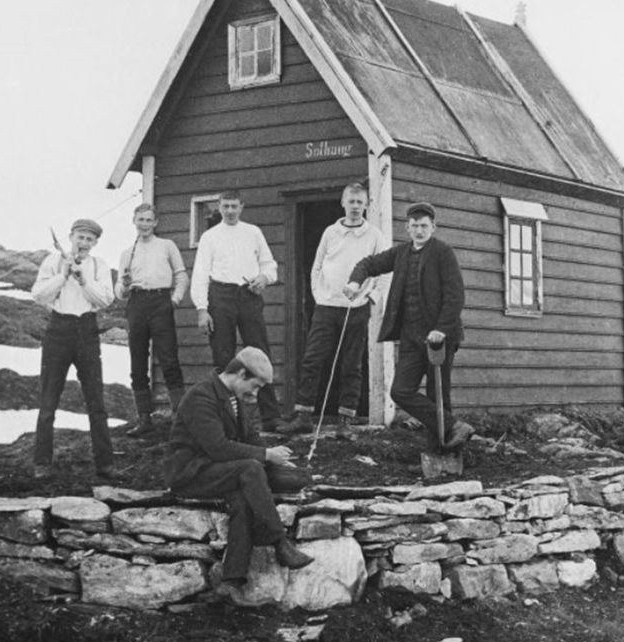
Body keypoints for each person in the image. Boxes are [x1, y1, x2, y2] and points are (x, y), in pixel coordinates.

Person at [165, 347, 313, 601]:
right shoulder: (200, 396)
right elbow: (218, 447)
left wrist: (273, 457)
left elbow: (250, 437)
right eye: (255, 387)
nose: (254, 395)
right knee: (251, 468)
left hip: (220, 471)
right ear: (241, 373)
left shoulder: (232, 397)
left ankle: (232, 580)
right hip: (192, 473)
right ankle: (279, 542)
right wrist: (265, 457)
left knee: (273, 487)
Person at [344, 201, 474, 452]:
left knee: (439, 395)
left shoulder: (443, 252)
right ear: (407, 228)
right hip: (412, 339)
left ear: (433, 228)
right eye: (414, 226)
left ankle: (443, 453)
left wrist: (442, 329)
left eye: (424, 226)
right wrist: (354, 283)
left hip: (440, 338)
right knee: (401, 391)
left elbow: (455, 295)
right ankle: (454, 425)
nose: (419, 230)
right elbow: (369, 264)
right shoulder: (400, 253)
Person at [279, 183, 386, 436]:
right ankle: (304, 415)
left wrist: (370, 296)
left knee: (351, 365)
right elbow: (317, 267)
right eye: (351, 202)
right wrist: (319, 295)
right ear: (343, 203)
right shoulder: (330, 232)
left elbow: (383, 271)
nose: (356, 207)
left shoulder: (374, 235)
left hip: (356, 308)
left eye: (360, 202)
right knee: (313, 358)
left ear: (367, 205)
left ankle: (345, 422)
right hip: (326, 307)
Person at [30, 218, 118, 481]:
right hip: (58, 330)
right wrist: (63, 275)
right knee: (48, 400)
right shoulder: (53, 261)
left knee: (96, 402)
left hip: (87, 331)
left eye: (89, 239)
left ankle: (105, 464)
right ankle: (42, 463)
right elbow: (39, 295)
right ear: (71, 237)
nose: (84, 243)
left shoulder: (99, 265)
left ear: (95, 243)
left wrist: (82, 280)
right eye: (80, 237)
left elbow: (105, 300)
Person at [190, 190, 283, 430]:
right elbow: (200, 274)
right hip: (220, 296)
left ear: (241, 207)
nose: (230, 211)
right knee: (223, 356)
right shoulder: (210, 236)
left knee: (260, 352)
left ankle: (271, 418)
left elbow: (270, 265)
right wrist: (202, 309)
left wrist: (264, 277)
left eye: (234, 206)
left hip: (248, 295)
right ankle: (228, 420)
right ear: (219, 208)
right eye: (225, 206)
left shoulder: (253, 232)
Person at [114, 203, 189, 435]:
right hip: (137, 304)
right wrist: (124, 285)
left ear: (156, 223)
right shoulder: (127, 253)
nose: (144, 224)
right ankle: (144, 418)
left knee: (169, 359)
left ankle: (180, 417)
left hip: (161, 302)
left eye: (149, 220)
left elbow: (181, 275)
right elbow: (120, 292)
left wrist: (174, 300)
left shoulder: (167, 246)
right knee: (137, 361)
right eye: (141, 220)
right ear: (134, 221)